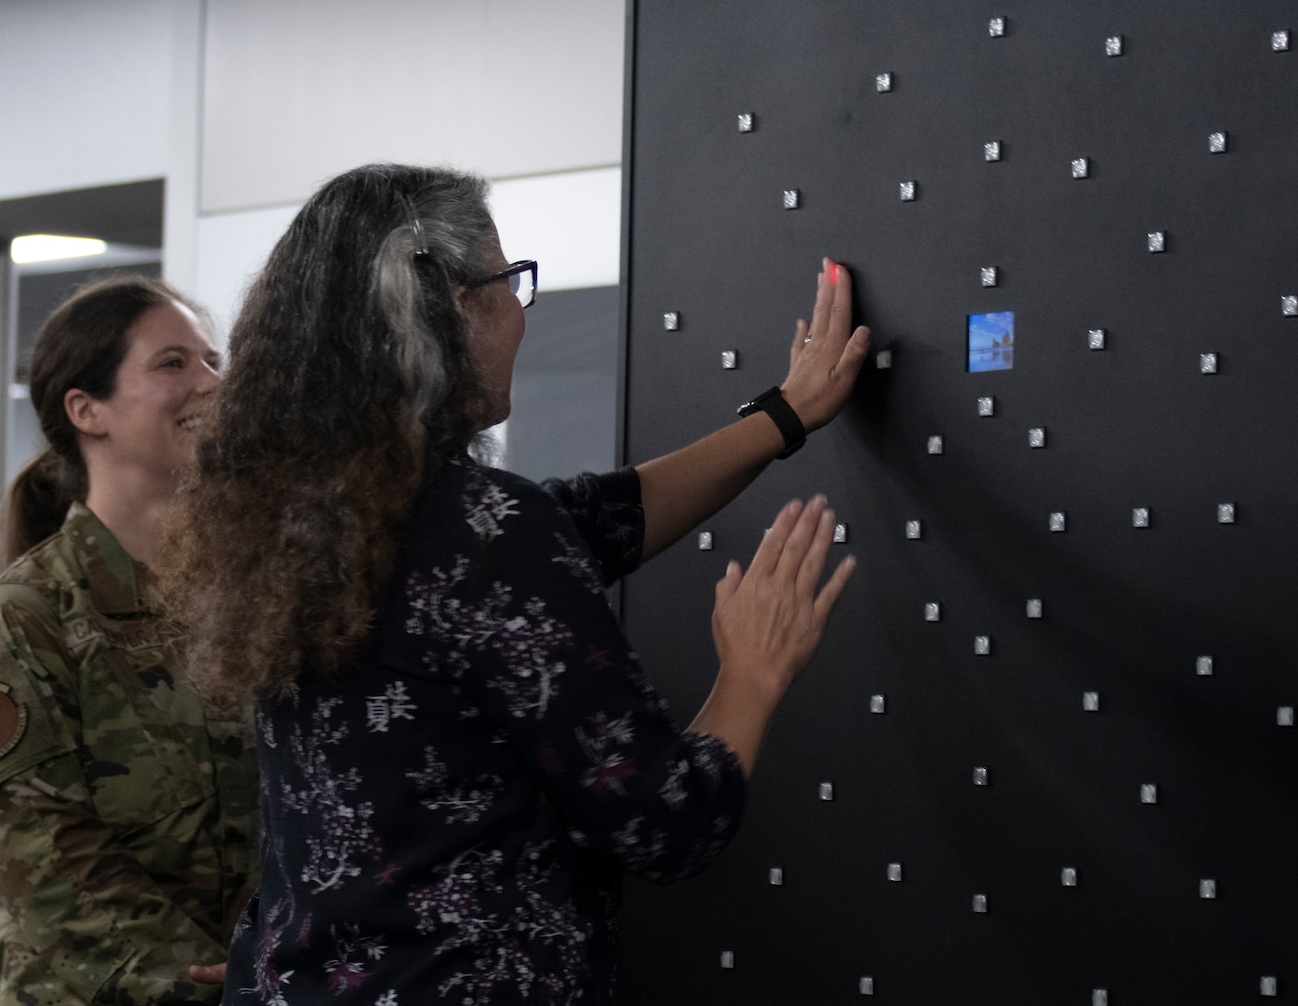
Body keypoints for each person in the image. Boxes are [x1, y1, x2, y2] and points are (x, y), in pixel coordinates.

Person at [164, 163, 870, 1004]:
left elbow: (601, 516)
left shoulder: (312, 526)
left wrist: (784, 416)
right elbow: (664, 821)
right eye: (511, 284)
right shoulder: (478, 531)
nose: (519, 314)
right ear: (459, 306)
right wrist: (752, 671)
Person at [0, 274, 257, 1004]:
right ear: (87, 410)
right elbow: (50, 868)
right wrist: (214, 987)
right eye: (173, 363)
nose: (210, 384)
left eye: (212, 360)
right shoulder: (22, 620)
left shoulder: (255, 597)